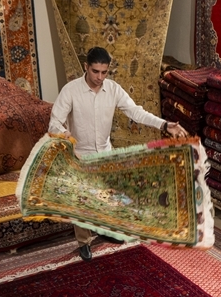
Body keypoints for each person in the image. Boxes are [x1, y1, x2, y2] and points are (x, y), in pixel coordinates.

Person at [48, 46, 188, 260]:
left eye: (104, 72)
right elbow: (54, 123)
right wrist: (65, 135)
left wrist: (165, 125)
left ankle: (104, 230)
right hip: (80, 154)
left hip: (105, 152)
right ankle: (84, 242)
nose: (99, 77)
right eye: (95, 71)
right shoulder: (70, 90)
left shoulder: (113, 89)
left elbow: (135, 112)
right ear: (86, 67)